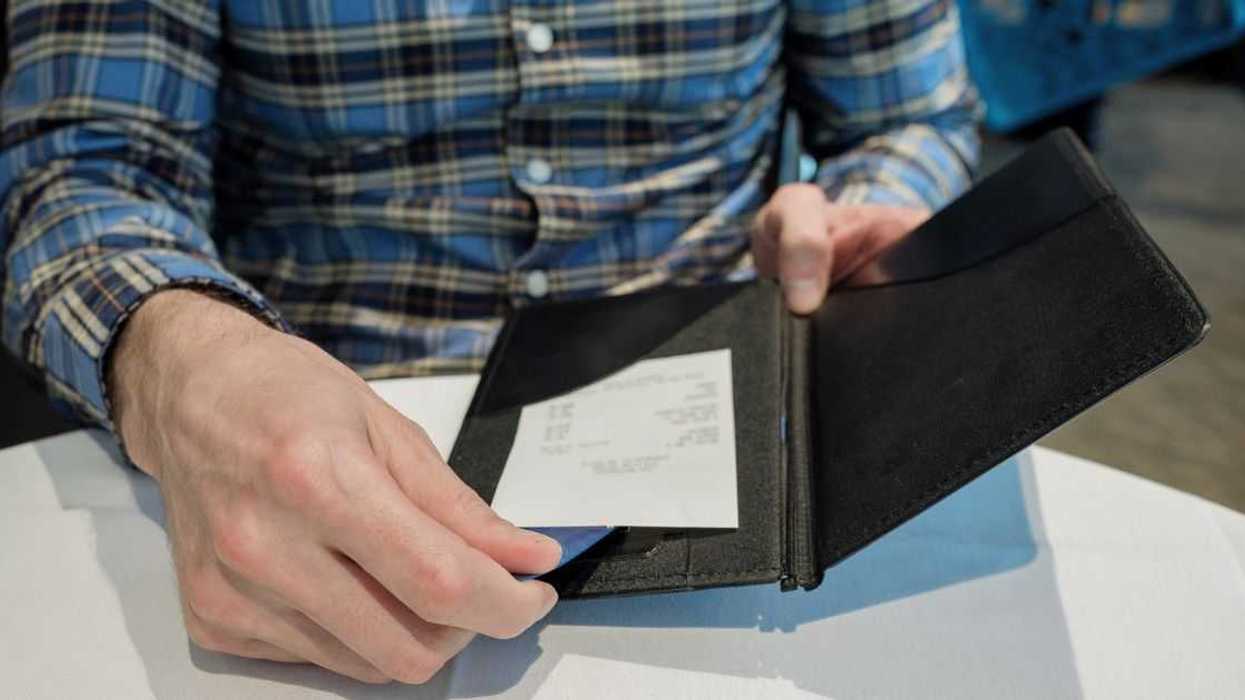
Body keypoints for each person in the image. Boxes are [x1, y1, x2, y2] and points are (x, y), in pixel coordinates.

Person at [0, 0, 978, 684]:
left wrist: (861, 216)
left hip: (717, 423)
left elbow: (910, 114)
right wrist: (195, 366)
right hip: (308, 452)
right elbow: (83, 169)